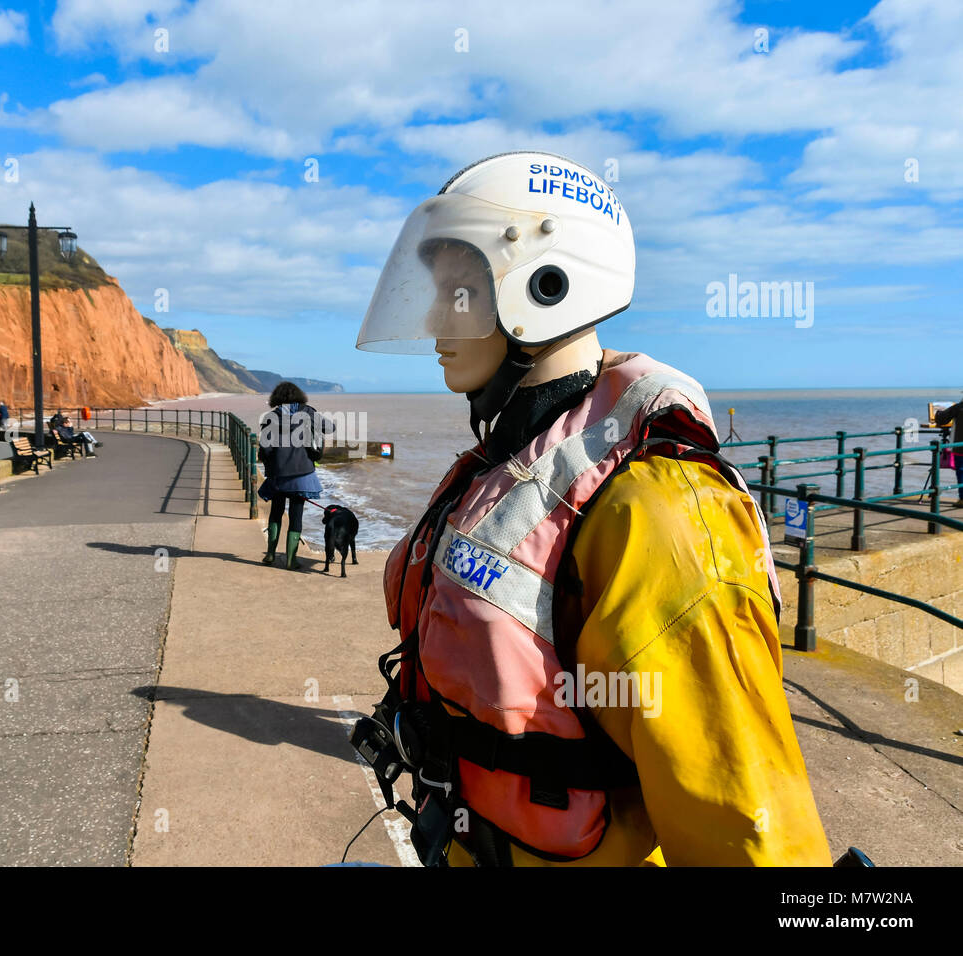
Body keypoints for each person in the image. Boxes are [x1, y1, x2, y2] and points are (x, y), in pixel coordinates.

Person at [352, 151, 830, 866]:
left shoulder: (658, 514)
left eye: (455, 291)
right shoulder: (508, 464)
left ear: (547, 288)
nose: (431, 318)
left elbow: (751, 833)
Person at [257, 383, 335, 570]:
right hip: (302, 474)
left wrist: (271, 464)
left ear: (277, 398)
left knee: (275, 513)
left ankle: (270, 555)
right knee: (296, 515)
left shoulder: (271, 417)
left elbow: (265, 450)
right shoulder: (308, 413)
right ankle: (291, 560)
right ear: (299, 396)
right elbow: (330, 428)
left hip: (278, 475)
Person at [932, 393, 963, 505]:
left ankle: (962, 499)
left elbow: (941, 419)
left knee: (961, 471)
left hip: (960, 447)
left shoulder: (959, 407)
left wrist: (938, 411)